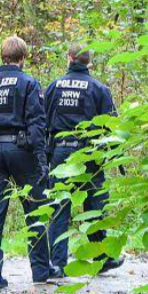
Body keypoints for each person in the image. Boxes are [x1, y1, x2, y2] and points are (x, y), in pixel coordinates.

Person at [0, 36, 59, 290]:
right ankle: (41, 270)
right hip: (22, 149)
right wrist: (41, 161)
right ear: (23, 58)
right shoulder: (28, 83)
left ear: (3, 56)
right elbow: (36, 123)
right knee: (34, 209)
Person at [45, 44, 119, 274]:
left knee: (59, 207)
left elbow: (42, 121)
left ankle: (57, 263)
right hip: (90, 154)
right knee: (95, 207)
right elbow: (112, 126)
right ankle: (101, 258)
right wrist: (113, 155)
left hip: (60, 152)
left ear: (69, 58)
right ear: (89, 62)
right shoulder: (99, 89)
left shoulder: (53, 87)